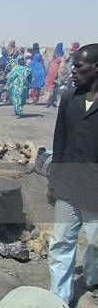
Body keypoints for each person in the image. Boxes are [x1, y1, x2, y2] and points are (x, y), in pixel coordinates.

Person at [48, 43, 98, 305]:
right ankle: (59, 297)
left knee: (95, 244)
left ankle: (92, 281)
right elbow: (60, 141)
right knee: (61, 243)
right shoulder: (69, 97)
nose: (73, 71)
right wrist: (53, 180)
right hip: (68, 186)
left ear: (96, 68)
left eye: (79, 66)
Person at [41, 43, 64, 107]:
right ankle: (52, 100)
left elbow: (51, 63)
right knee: (55, 87)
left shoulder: (54, 55)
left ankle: (49, 100)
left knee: (50, 86)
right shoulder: (60, 56)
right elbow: (61, 66)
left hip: (51, 72)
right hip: (55, 73)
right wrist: (60, 73)